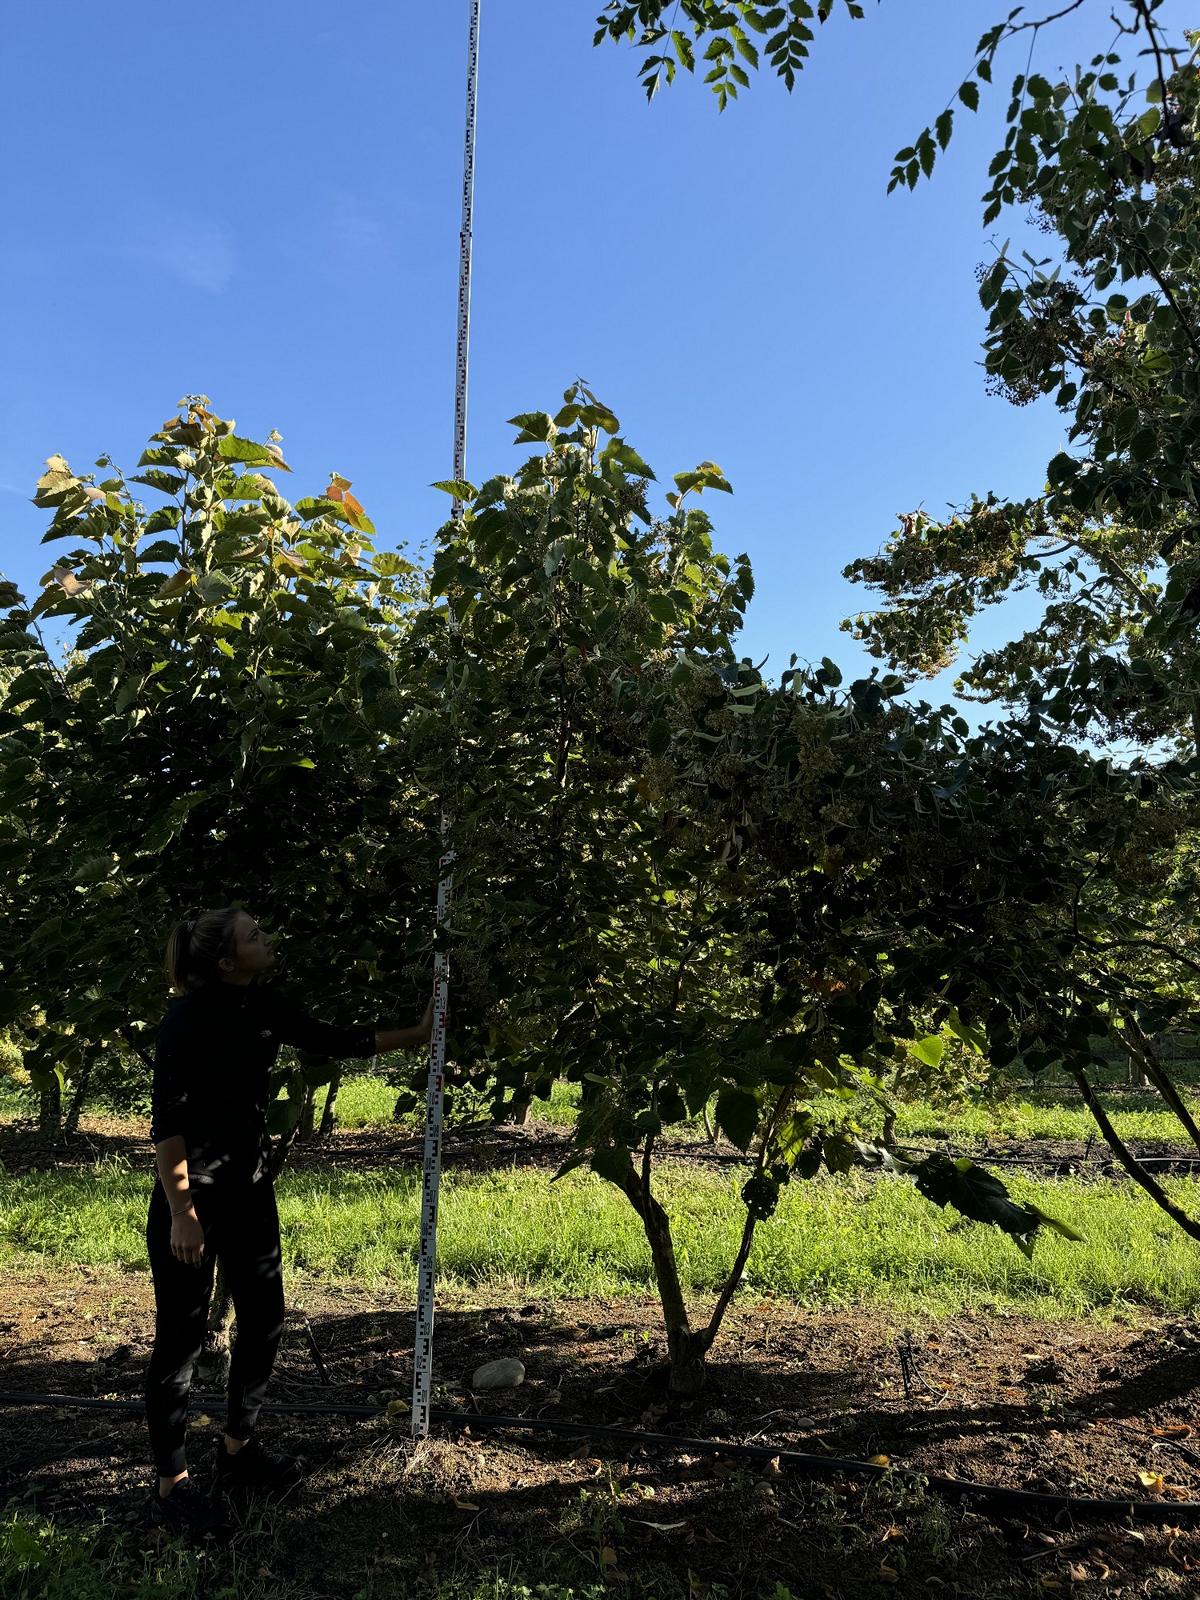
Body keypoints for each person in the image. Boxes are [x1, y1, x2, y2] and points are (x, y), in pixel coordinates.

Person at [144, 906, 434, 1540]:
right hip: (193, 1203)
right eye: (254, 935)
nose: (267, 937)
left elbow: (334, 1038)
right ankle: (172, 1485)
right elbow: (167, 1124)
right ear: (224, 961)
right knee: (182, 1342)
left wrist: (420, 1032)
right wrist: (184, 1213)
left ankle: (237, 1452)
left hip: (248, 1194)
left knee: (266, 1321)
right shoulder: (185, 1021)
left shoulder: (261, 1005)